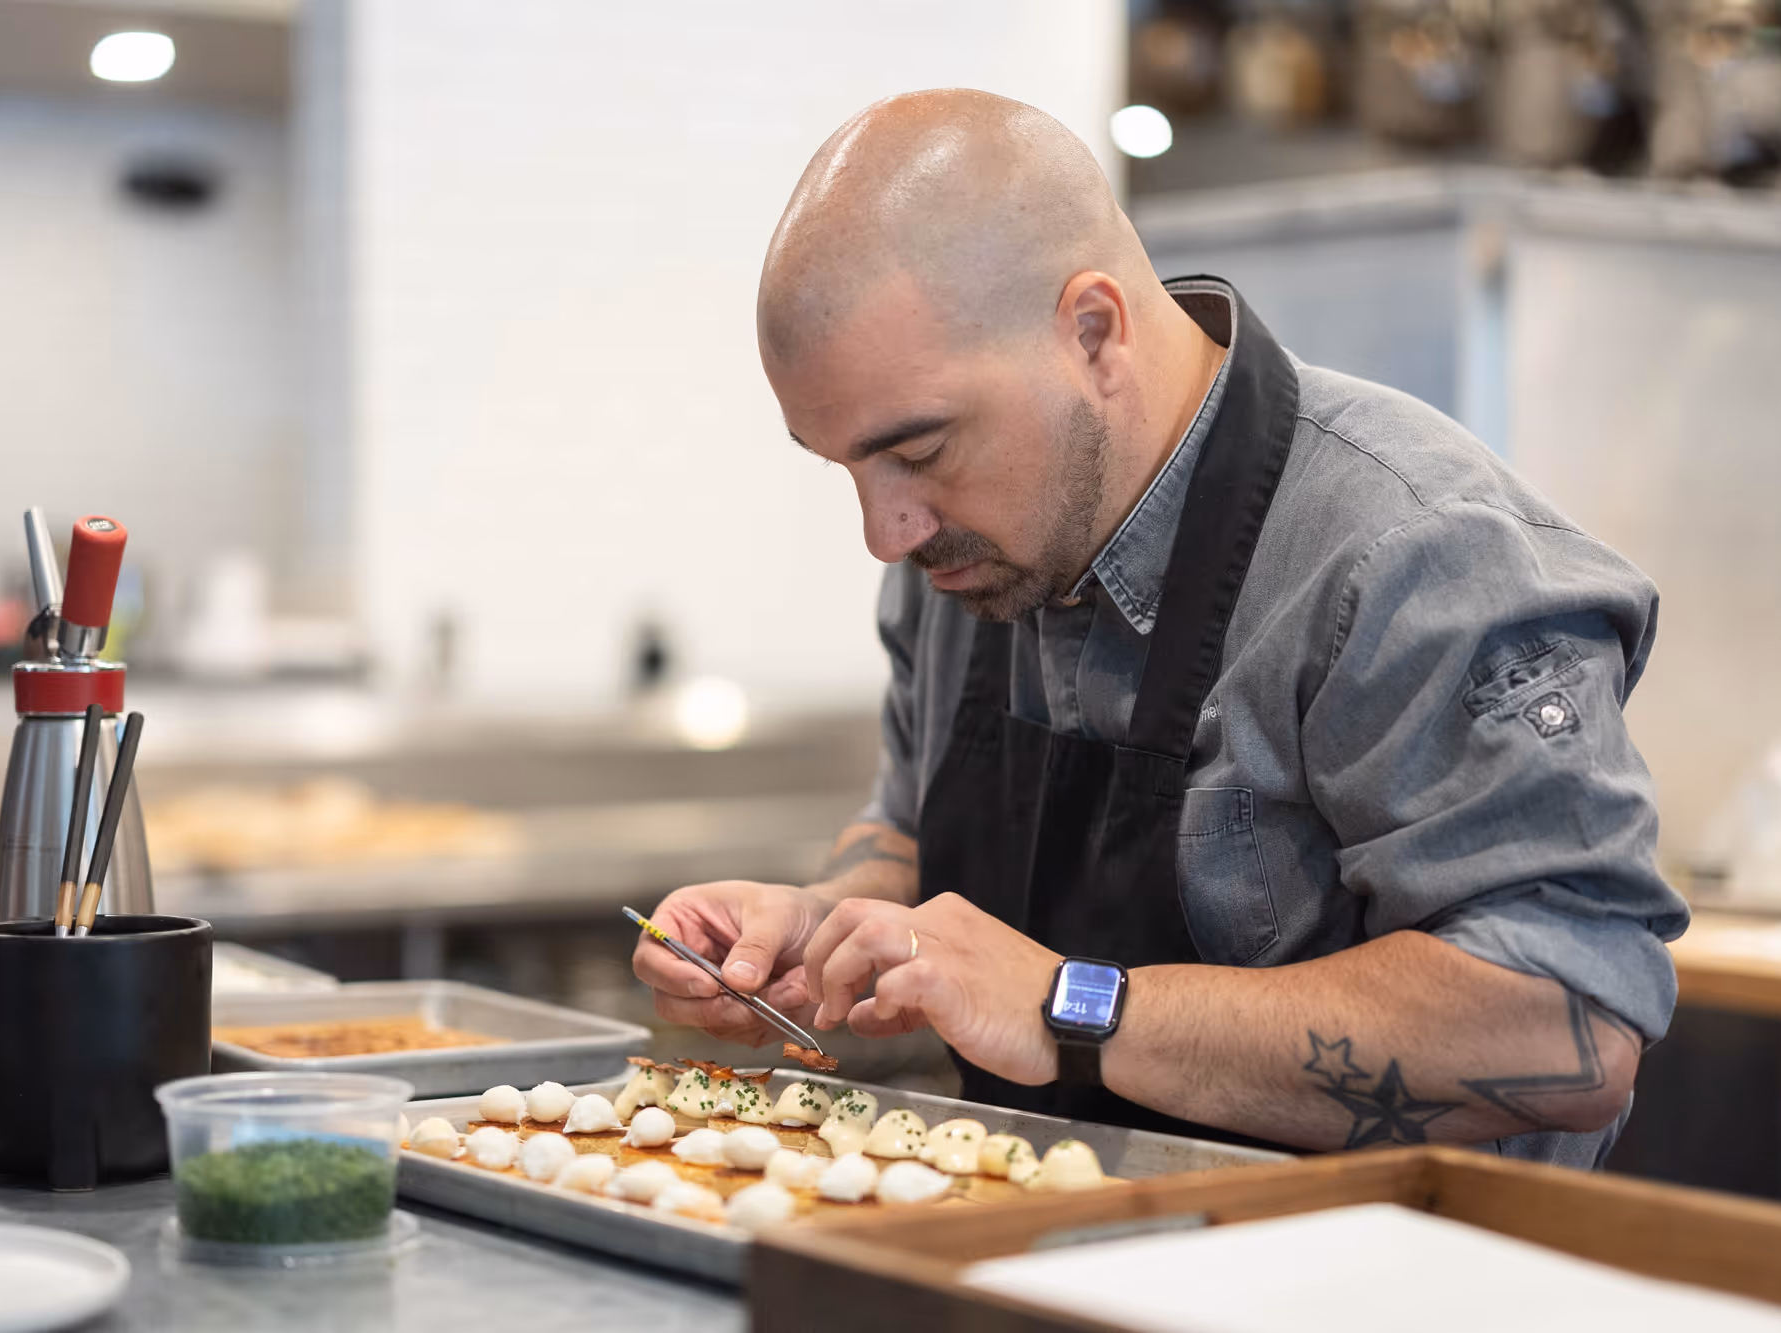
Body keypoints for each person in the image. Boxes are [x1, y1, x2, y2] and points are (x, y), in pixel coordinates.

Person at [633, 89, 1689, 1165]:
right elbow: (908, 832)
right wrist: (821, 927)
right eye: (845, 466)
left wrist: (1066, 1005)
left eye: (918, 451)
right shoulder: (964, 550)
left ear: (1092, 333)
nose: (884, 529)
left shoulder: (1409, 555)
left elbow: (1571, 1023)